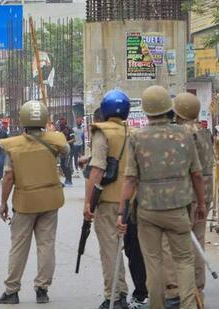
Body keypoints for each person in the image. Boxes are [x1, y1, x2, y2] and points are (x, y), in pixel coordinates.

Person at [116, 85, 206, 309]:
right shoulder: (185, 135)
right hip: (178, 209)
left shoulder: (137, 138)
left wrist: (121, 212)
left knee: (153, 263)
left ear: (146, 111)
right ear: (169, 108)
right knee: (184, 261)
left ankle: (157, 305)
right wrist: (202, 203)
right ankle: (189, 306)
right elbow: (196, 174)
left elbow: (129, 179)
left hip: (148, 211)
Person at [0, 100, 69, 304]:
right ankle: (42, 290)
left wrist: (3, 203)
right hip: (50, 201)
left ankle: (12, 291)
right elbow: (67, 152)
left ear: (23, 120)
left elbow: (8, 177)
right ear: (45, 119)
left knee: (19, 246)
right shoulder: (56, 140)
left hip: (25, 203)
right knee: (46, 246)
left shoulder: (14, 145)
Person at [161, 93, 215, 307]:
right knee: (198, 241)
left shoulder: (181, 134)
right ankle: (197, 288)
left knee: (172, 244)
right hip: (205, 194)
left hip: (186, 195)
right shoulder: (204, 132)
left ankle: (174, 290)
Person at [84, 89, 131, 309]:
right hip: (132, 199)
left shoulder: (102, 132)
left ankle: (114, 295)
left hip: (109, 199)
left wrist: (87, 202)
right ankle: (123, 290)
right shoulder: (131, 132)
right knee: (125, 247)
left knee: (110, 249)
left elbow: (97, 170)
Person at [57, 118, 75, 186]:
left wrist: (66, 142)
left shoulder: (70, 130)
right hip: (62, 150)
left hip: (70, 149)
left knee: (66, 165)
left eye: (62, 123)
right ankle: (67, 179)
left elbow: (74, 139)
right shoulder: (59, 131)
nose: (60, 124)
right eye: (60, 123)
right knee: (62, 165)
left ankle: (69, 180)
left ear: (65, 123)